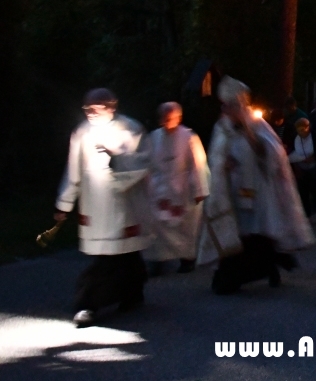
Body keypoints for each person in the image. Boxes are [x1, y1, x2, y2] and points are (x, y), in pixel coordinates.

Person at [197, 77, 315, 295]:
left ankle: (266, 269)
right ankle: (239, 274)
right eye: (224, 105)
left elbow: (274, 155)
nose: (226, 109)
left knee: (257, 235)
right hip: (233, 191)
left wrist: (250, 135)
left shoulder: (257, 124)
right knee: (238, 235)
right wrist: (224, 164)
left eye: (230, 105)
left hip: (259, 191)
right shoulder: (222, 127)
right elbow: (214, 156)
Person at [54, 88, 151, 327]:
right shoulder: (82, 132)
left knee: (121, 255)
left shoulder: (131, 129)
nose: (90, 113)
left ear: (111, 106)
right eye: (86, 109)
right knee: (110, 256)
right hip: (95, 205)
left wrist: (116, 157)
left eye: (95, 108)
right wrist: (64, 204)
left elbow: (145, 162)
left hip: (123, 206)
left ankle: (91, 302)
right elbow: (73, 169)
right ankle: (124, 294)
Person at [145, 102, 209, 277]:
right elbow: (148, 163)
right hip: (160, 189)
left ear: (178, 118)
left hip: (183, 188)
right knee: (157, 225)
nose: (165, 122)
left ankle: (187, 259)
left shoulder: (189, 137)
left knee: (185, 226)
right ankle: (158, 260)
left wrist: (199, 189)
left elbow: (198, 165)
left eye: (169, 118)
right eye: (163, 118)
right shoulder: (154, 137)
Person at [287, 117, 316, 216]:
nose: (301, 132)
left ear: (308, 127)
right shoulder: (293, 138)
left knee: (315, 190)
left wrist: (314, 158)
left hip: (315, 168)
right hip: (301, 169)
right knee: (303, 192)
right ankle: (306, 214)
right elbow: (289, 152)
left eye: (303, 129)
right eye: (299, 130)